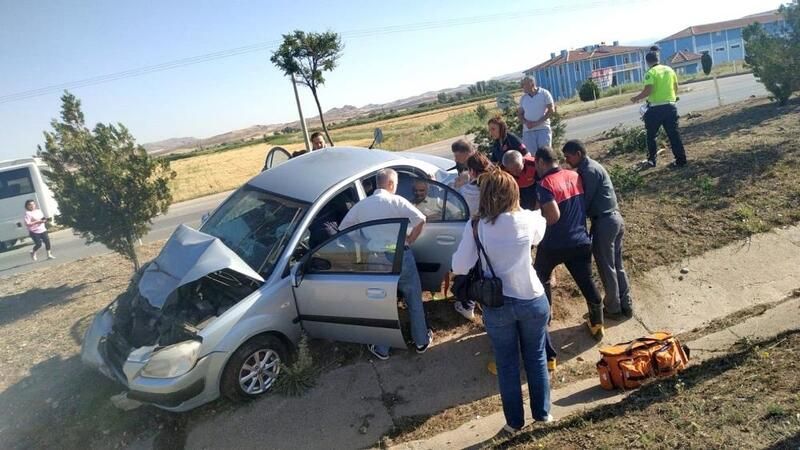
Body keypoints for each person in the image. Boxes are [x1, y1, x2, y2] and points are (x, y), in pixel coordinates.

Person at [451, 169, 551, 432]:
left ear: (484, 195)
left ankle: (514, 423)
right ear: (514, 192)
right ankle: (542, 415)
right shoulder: (528, 219)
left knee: (506, 364)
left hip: (497, 304)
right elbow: (540, 232)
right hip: (532, 298)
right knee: (536, 357)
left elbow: (459, 265)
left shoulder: (477, 226)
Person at [338, 169, 433, 360]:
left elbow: (343, 228)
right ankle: (421, 340)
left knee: (383, 304)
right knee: (413, 297)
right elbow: (421, 219)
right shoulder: (397, 201)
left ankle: (382, 348)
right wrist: (411, 238)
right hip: (401, 255)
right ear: (391, 184)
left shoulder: (362, 206)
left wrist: (363, 242)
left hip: (377, 258)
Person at [532, 146, 605, 341]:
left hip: (553, 244)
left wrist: (538, 221)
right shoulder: (575, 176)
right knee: (586, 281)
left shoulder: (545, 183)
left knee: (541, 276)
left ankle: (546, 317)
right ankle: (597, 324)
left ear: (540, 162)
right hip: (580, 241)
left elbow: (553, 216)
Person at [563, 140, 634, 319]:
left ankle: (613, 308)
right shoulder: (593, 166)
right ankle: (626, 304)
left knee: (606, 267)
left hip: (604, 222)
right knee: (617, 265)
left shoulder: (589, 171)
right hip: (613, 219)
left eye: (568, 156)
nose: (567, 160)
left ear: (578, 154)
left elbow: (585, 201)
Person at [453, 152, 493, 320]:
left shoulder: (467, 189)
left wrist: (459, 182)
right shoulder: (494, 184)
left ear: (471, 171)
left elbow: (454, 203)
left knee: (472, 271)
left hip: (475, 233)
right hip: (495, 231)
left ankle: (468, 305)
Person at [630, 50, 687, 168]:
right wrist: (672, 98)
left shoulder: (650, 73)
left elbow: (648, 90)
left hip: (655, 108)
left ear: (647, 62)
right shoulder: (669, 70)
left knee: (651, 136)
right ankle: (681, 160)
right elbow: (676, 87)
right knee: (674, 135)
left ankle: (652, 160)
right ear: (657, 59)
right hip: (670, 106)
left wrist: (636, 98)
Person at [518, 76, 555, 152]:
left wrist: (537, 123)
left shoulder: (544, 93)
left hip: (543, 129)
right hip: (528, 131)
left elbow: (551, 110)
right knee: (531, 156)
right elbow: (520, 114)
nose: (522, 87)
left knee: (545, 154)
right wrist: (526, 122)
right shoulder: (523, 98)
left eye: (523, 85)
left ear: (531, 84)